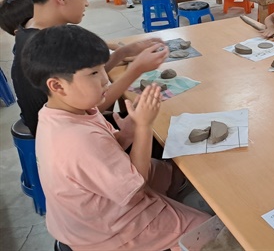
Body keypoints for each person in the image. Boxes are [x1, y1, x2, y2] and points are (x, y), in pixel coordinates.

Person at [21, 25, 215, 250]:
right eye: (94, 73)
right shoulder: (76, 140)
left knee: (169, 170)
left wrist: (125, 135)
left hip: (89, 211)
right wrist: (143, 127)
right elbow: (135, 191)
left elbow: (96, 162)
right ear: (57, 85)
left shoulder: (60, 113)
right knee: (205, 230)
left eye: (103, 69)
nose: (105, 80)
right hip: (105, 232)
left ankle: (174, 194)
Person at [12, 0, 166, 136]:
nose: (87, 4)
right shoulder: (51, 47)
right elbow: (91, 107)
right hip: (71, 137)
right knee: (159, 124)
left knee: (139, 112)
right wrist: (137, 69)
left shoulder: (28, 30)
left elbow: (80, 77)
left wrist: (121, 53)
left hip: (67, 127)